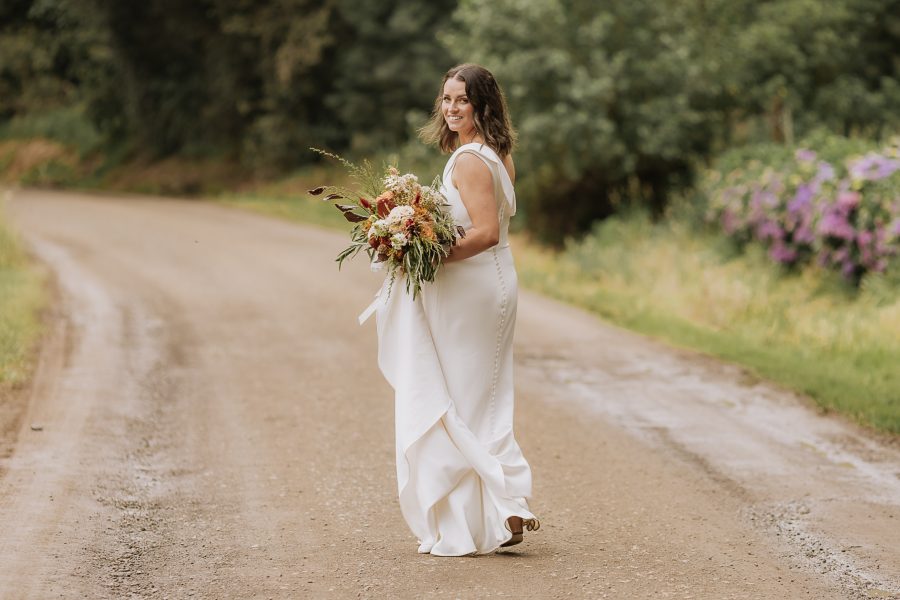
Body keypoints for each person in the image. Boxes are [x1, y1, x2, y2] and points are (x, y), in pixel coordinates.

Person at [371, 63, 539, 557]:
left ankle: (498, 507)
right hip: (491, 284)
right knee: (481, 399)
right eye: (445, 100)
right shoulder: (497, 155)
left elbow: (484, 232)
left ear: (482, 104)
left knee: (463, 399)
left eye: (460, 100)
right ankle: (501, 508)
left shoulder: (469, 160)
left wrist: (422, 253)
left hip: (473, 289)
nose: (450, 109)